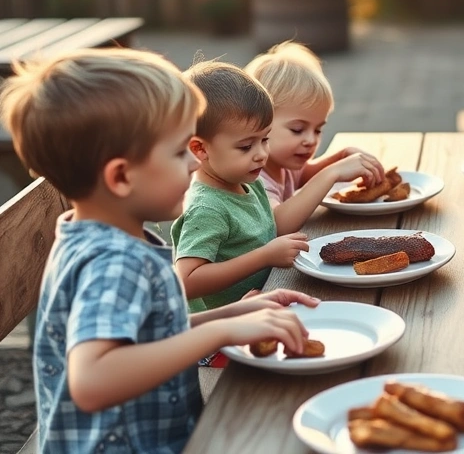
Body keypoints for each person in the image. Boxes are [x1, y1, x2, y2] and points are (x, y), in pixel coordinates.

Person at [0, 49, 316, 452]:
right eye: (179, 151)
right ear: (120, 176)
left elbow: (145, 337)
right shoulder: (112, 262)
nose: (192, 164)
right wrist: (222, 330)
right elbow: (93, 381)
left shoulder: (105, 237)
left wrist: (233, 313)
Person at [171, 61, 309, 312]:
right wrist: (265, 256)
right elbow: (187, 280)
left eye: (265, 139)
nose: (261, 155)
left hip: (266, 300)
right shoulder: (207, 208)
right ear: (200, 148)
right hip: (221, 337)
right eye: (246, 146)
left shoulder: (248, 181)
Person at [244, 41, 384, 235]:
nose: (311, 140)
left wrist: (342, 157)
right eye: (298, 129)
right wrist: (332, 173)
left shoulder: (281, 162)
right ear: (257, 123)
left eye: (318, 130)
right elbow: (277, 225)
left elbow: (304, 174)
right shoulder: (252, 176)